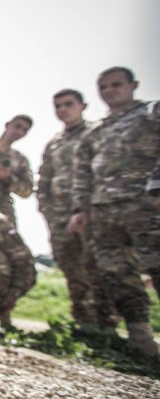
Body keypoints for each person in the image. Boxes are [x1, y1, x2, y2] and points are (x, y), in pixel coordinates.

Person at [69, 67, 159, 358]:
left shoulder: (150, 114)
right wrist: (80, 208)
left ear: (133, 85)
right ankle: (140, 337)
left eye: (116, 85)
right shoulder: (95, 131)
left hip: (145, 204)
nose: (109, 91)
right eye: (104, 86)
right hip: (103, 210)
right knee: (117, 274)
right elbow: (82, 173)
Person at [36, 89, 103, 331]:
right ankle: (86, 323)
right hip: (60, 216)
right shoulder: (54, 144)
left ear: (82, 106)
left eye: (68, 104)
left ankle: (108, 323)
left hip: (92, 212)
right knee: (71, 267)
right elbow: (44, 180)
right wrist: (46, 208)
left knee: (98, 266)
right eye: (58, 106)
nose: (62, 110)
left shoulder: (96, 134)